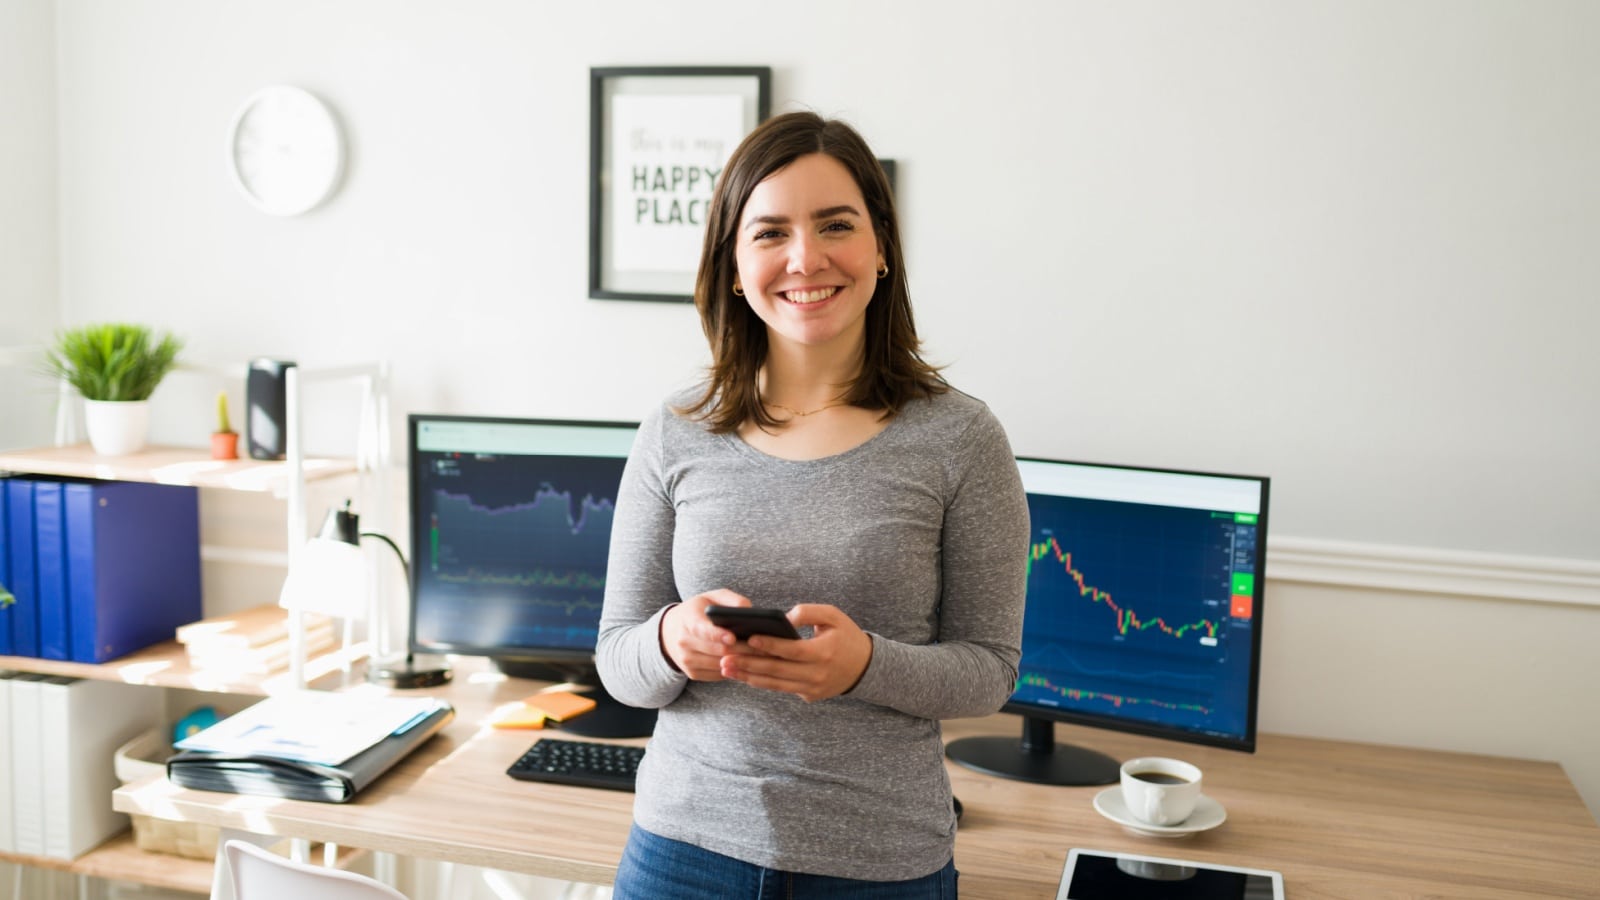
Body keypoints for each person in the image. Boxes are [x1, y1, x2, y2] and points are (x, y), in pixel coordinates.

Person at [596, 110, 1029, 899]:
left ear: (882, 248)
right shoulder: (675, 429)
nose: (806, 258)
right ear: (732, 264)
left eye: (837, 224)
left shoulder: (962, 438)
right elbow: (618, 659)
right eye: (769, 233)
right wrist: (670, 640)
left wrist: (863, 663)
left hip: (878, 866)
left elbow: (989, 672)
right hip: (679, 856)